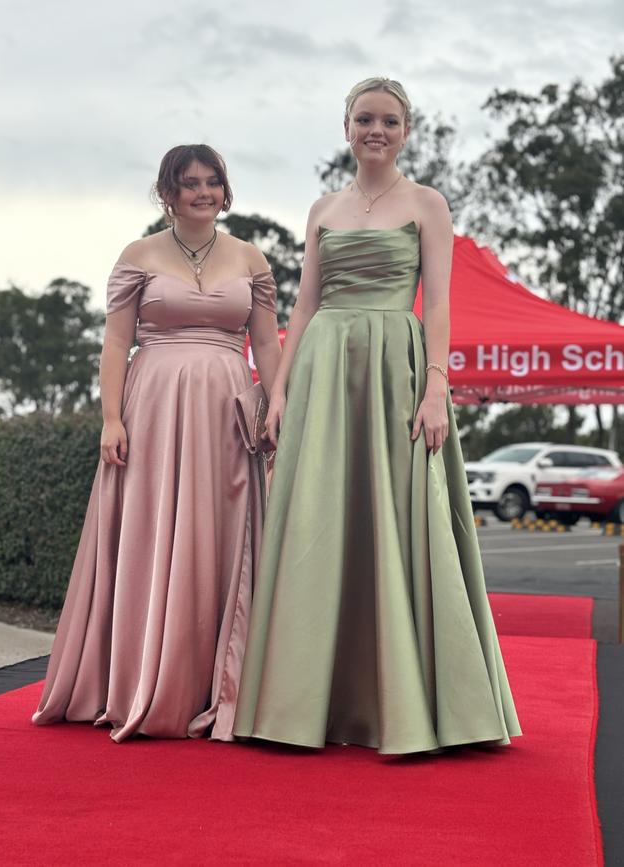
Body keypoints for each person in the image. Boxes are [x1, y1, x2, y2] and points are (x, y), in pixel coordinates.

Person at [233, 79, 521, 754]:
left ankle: (416, 703)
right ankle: (303, 704)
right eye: (365, 119)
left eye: (389, 121)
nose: (376, 130)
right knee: (316, 518)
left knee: (400, 520)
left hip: (398, 367)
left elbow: (441, 304)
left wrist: (436, 388)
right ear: (345, 127)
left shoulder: (427, 204)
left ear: (406, 131)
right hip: (324, 371)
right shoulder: (324, 207)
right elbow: (302, 306)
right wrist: (275, 391)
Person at [33, 144, 281, 742]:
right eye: (189, 183)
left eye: (212, 182)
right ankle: (142, 678)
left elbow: (268, 345)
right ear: (166, 193)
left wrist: (277, 406)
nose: (203, 192)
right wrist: (111, 419)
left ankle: (220, 685)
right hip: (153, 409)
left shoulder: (251, 258)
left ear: (225, 190)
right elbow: (116, 344)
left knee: (219, 536)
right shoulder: (138, 255)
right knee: (151, 531)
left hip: (226, 409)